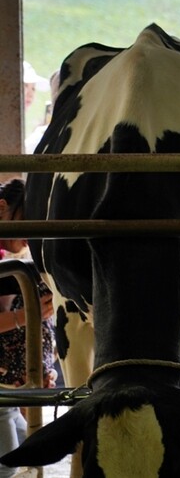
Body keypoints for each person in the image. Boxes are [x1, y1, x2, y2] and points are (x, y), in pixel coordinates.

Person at [0, 178, 58, 478]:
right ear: (2, 208)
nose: (29, 239)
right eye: (25, 222)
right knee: (9, 464)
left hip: (10, 387)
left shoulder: (9, 257)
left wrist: (38, 366)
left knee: (27, 447)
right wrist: (29, 315)